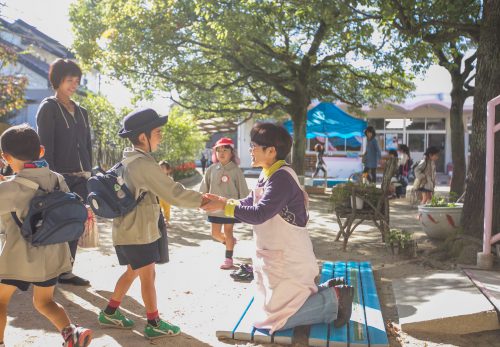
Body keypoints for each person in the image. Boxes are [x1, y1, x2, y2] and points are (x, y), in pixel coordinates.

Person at [203, 123, 354, 334]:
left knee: (275, 319)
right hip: (278, 257)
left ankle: (334, 299)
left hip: (289, 259)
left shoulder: (281, 178)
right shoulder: (269, 173)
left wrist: (224, 206)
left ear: (271, 151)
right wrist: (223, 200)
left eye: (254, 145)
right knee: (271, 307)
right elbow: (250, 201)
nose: (250, 150)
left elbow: (260, 213)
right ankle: (328, 291)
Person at [97, 108, 210, 340]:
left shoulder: (128, 160)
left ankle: (109, 312)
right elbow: (173, 193)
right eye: (157, 132)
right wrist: (204, 201)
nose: (161, 136)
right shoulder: (143, 165)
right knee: (147, 276)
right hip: (138, 232)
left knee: (132, 272)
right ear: (142, 136)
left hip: (128, 230)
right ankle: (153, 322)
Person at [0, 124, 92, 347]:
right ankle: (72, 333)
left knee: (0, 301)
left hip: (18, 257)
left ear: (5, 157)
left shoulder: (9, 189)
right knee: (45, 302)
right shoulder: (57, 179)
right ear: (41, 151)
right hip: (52, 255)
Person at [36, 58, 91, 286]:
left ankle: (66, 271)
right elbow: (44, 146)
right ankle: (48, 271)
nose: (74, 85)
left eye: (77, 81)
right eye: (69, 80)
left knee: (76, 223)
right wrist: (50, 177)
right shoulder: (48, 108)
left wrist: (90, 171)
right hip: (59, 177)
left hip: (82, 177)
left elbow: (87, 145)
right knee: (57, 223)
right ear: (57, 80)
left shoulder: (82, 112)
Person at [200, 138, 249, 269]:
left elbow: (243, 190)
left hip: (230, 207)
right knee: (215, 234)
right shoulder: (211, 169)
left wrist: (244, 207)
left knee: (228, 232)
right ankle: (229, 243)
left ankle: (228, 258)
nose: (221, 153)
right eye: (218, 150)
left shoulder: (236, 171)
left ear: (232, 152)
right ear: (215, 153)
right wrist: (199, 201)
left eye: (225, 150)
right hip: (214, 207)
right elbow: (204, 187)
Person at [158, 160, 173, 226]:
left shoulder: (169, 179)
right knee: (158, 210)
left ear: (168, 170)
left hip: (167, 198)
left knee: (167, 210)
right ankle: (159, 222)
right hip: (159, 197)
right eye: (159, 168)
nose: (161, 169)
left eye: (163, 168)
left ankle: (167, 220)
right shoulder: (156, 178)